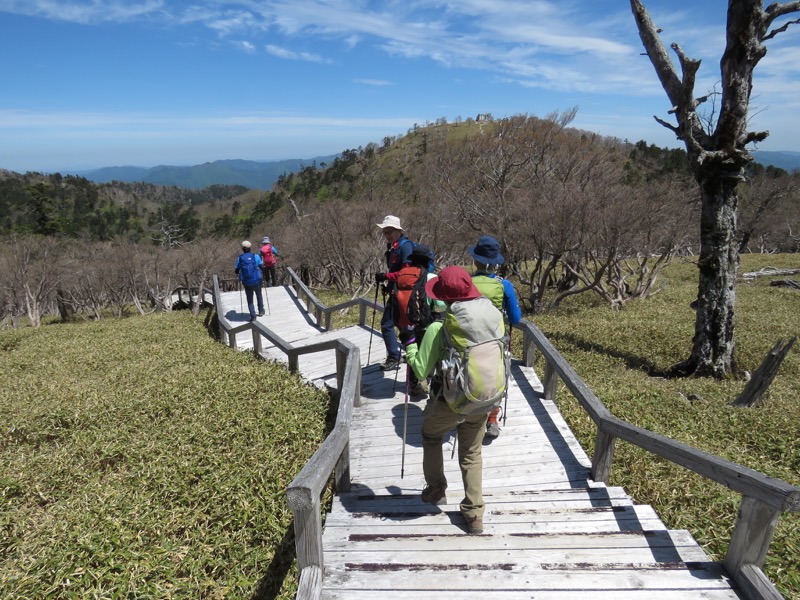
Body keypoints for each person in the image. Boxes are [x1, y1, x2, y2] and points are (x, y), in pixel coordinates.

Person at [402, 266, 505, 535]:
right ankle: (474, 515)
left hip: (448, 400)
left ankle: (436, 490)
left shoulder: (440, 326)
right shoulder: (494, 317)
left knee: (431, 436)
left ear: (443, 298)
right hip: (485, 399)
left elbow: (421, 370)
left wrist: (411, 343)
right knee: (471, 453)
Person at [469, 235, 522, 438]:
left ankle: (469, 411)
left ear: (475, 260)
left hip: (469, 338)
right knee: (496, 376)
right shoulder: (504, 285)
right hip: (495, 339)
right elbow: (515, 318)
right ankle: (492, 420)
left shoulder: (467, 283)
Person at [398, 244, 445, 395]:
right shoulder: (431, 277)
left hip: (406, 323)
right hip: (425, 324)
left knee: (413, 350)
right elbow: (440, 304)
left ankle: (412, 384)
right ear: (427, 261)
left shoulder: (403, 275)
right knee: (427, 353)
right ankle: (425, 380)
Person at [374, 215, 416, 371]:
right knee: (401, 324)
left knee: (387, 324)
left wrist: (386, 277)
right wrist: (389, 284)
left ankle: (394, 356)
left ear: (398, 230)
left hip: (403, 292)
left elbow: (407, 273)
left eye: (390, 231)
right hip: (396, 290)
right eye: (385, 232)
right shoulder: (394, 246)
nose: (387, 234)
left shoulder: (405, 247)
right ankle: (411, 350)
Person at [234, 240, 264, 321]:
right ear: (250, 247)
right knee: (259, 295)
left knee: (250, 299)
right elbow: (261, 267)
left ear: (242, 249)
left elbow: (236, 270)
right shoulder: (256, 256)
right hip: (257, 280)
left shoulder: (239, 258)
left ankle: (253, 315)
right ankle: (261, 311)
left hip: (247, 282)